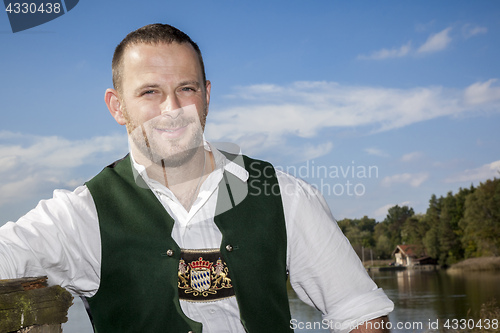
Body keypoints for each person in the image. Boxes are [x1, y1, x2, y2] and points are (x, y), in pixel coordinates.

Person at [0, 23, 393, 333]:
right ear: (117, 107)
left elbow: (358, 310)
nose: (172, 109)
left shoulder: (281, 193)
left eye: (186, 88)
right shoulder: (82, 214)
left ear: (206, 94)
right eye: (150, 92)